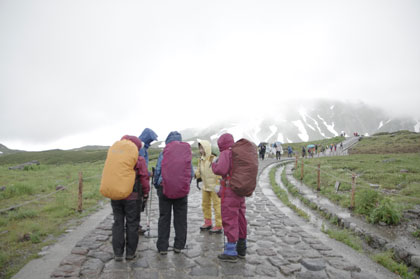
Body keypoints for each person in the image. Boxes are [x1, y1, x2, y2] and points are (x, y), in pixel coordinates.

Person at [153, 131, 194, 254]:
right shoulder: (186, 153)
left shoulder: (164, 152)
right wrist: (185, 184)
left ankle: (162, 247)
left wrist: (156, 184)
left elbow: (158, 170)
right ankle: (179, 245)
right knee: (181, 218)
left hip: (164, 188)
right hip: (181, 189)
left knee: (164, 217)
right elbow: (190, 172)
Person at [112, 135, 150, 261]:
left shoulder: (114, 158)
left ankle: (118, 253)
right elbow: (144, 178)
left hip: (116, 195)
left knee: (118, 223)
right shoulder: (139, 160)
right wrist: (146, 193)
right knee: (132, 224)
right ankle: (130, 253)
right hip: (132, 197)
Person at [212, 133, 247, 263]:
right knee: (240, 218)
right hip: (240, 189)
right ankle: (242, 248)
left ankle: (231, 251)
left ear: (221, 143)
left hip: (230, 191)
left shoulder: (226, 153)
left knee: (229, 218)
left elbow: (221, 169)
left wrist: (214, 165)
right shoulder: (237, 153)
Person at [195, 140, 222, 233]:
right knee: (205, 205)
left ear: (207, 148)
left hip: (214, 187)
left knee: (217, 206)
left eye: (202, 148)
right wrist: (195, 174)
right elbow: (199, 171)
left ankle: (218, 225)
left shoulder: (213, 159)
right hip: (205, 187)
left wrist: (219, 183)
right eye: (200, 148)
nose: (201, 150)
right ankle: (208, 222)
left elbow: (219, 171)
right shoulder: (200, 159)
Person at [137, 128, 158, 234]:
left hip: (139, 179)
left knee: (138, 203)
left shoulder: (142, 147)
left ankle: (135, 225)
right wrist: (149, 174)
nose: (151, 142)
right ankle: (135, 226)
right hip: (139, 180)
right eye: (151, 140)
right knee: (138, 203)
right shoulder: (140, 148)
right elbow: (141, 167)